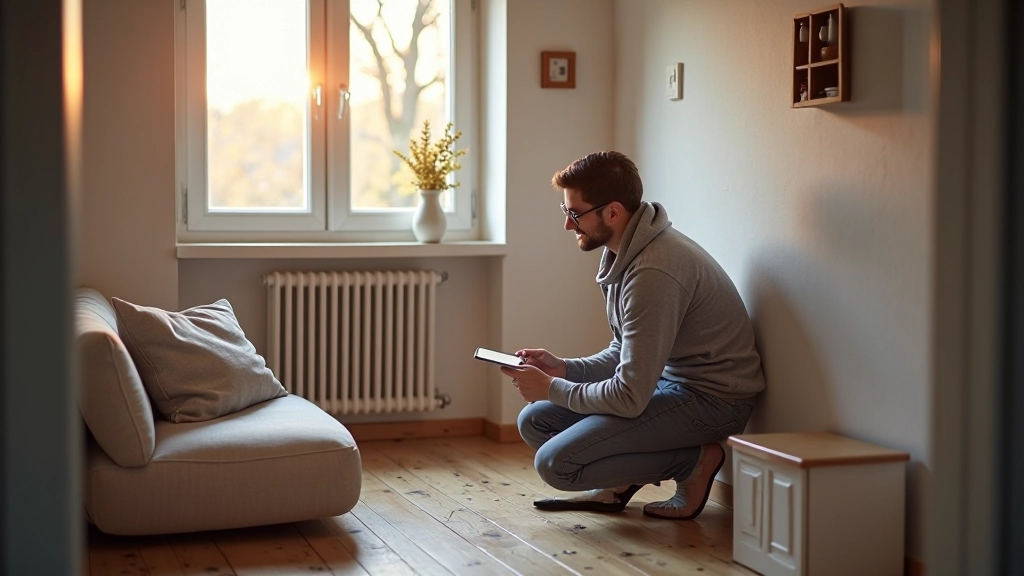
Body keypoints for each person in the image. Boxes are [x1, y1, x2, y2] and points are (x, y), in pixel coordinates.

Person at [500, 151, 765, 520]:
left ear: (612, 212)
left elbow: (628, 396)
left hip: (714, 401)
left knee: (555, 464)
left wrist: (550, 388)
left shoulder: (654, 271)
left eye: (574, 214)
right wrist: (564, 369)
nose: (568, 226)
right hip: (666, 385)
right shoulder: (625, 251)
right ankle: (620, 483)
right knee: (535, 420)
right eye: (566, 212)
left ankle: (695, 462)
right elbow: (625, 350)